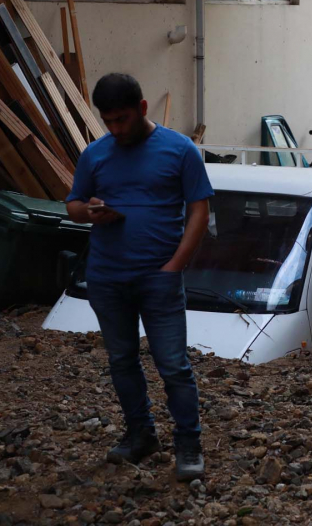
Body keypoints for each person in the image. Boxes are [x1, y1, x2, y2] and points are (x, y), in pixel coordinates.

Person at [66, 73, 213, 481]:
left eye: (123, 120)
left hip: (159, 278)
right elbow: (73, 205)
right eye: (108, 121)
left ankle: (189, 443)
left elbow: (199, 210)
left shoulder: (180, 150)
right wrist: (90, 210)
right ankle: (140, 434)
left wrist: (175, 267)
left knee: (173, 365)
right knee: (121, 360)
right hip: (107, 278)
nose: (116, 129)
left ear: (143, 109)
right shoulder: (95, 154)